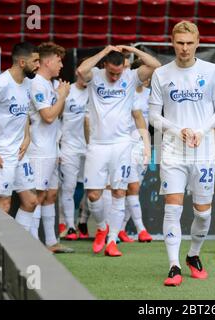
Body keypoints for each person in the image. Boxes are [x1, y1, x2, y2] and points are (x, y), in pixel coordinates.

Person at [149, 21, 215, 286]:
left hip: (203, 152)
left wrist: (201, 131)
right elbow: (152, 115)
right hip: (172, 151)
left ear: (197, 42)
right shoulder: (161, 74)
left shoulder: (212, 71)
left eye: (189, 43)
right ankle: (174, 266)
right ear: (172, 42)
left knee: (202, 213)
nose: (184, 48)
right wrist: (176, 129)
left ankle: (193, 254)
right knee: (172, 208)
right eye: (179, 43)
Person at [77, 44, 160, 257]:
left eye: (118, 73)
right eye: (111, 73)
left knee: (119, 192)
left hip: (122, 145)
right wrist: (104, 51)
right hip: (97, 145)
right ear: (105, 66)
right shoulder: (95, 76)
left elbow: (155, 65)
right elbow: (80, 71)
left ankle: (112, 241)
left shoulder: (130, 77)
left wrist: (133, 50)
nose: (115, 78)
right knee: (94, 194)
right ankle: (102, 226)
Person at [0, 42, 39, 231]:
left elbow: (24, 112)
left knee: (31, 201)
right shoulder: (0, 84)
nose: (38, 65)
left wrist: (27, 137)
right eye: (35, 61)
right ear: (21, 62)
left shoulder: (27, 82)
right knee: (3, 206)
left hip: (20, 153)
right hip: (1, 155)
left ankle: (20, 246)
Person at [27, 42, 73, 253]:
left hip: (52, 148)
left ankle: (52, 242)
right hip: (39, 149)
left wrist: (60, 94)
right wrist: (63, 95)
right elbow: (47, 116)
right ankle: (34, 243)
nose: (61, 65)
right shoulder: (36, 83)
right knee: (37, 196)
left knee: (51, 195)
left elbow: (57, 116)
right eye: (58, 60)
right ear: (47, 61)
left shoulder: (50, 85)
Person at [118, 58, 153, 243]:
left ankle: (121, 229)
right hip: (125, 144)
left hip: (143, 143)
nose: (146, 78)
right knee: (131, 187)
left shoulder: (150, 94)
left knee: (134, 187)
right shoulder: (125, 91)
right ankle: (141, 229)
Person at [58, 62, 89, 241]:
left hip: (91, 147)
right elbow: (56, 118)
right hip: (69, 146)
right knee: (68, 187)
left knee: (90, 188)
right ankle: (69, 225)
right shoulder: (68, 91)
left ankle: (82, 222)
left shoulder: (95, 91)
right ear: (78, 72)